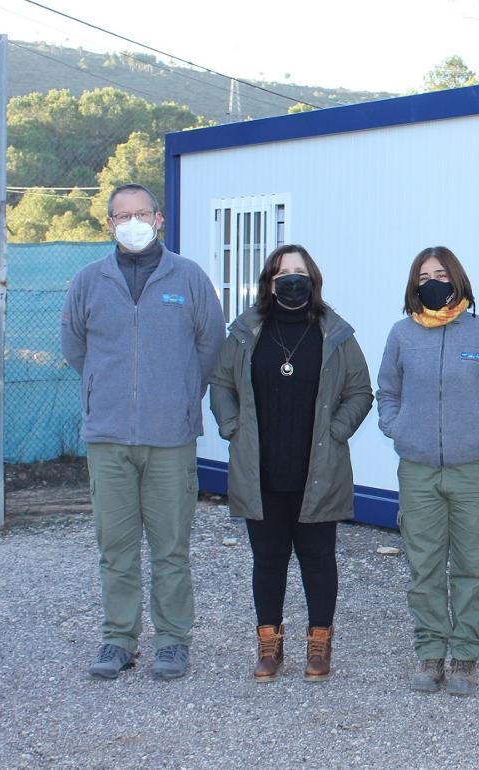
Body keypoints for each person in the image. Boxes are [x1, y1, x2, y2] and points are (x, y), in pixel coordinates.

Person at [61, 183, 225, 681]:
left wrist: (174, 396)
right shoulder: (89, 281)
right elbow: (75, 348)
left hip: (170, 440)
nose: (131, 222)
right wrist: (108, 393)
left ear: (158, 219)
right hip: (108, 438)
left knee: (171, 546)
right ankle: (118, 639)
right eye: (120, 215)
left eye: (141, 213)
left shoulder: (189, 278)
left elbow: (210, 345)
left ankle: (173, 641)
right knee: (116, 545)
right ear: (108, 224)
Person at [209, 244, 373, 682]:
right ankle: (269, 647)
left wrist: (337, 431)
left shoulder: (335, 334)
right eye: (283, 272)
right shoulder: (246, 332)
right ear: (269, 281)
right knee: (268, 559)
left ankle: (319, 648)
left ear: (313, 280)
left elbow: (360, 391)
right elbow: (221, 383)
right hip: (261, 468)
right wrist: (232, 427)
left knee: (319, 559)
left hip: (317, 469)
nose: (292, 279)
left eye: (300, 272)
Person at [376, 246, 479, 697]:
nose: (432, 281)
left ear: (458, 279)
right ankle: (431, 652)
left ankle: (465, 657)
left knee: (472, 567)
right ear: (413, 285)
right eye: (423, 276)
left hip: (473, 468)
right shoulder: (402, 335)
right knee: (425, 567)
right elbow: (387, 391)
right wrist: (397, 429)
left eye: (441, 273)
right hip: (417, 469)